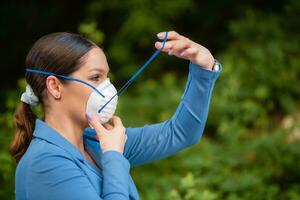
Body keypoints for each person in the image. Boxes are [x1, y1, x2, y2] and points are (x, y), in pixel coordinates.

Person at [10, 31, 221, 200]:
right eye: (95, 77)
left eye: (106, 77)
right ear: (55, 86)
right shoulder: (45, 164)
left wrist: (203, 68)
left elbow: (180, 133)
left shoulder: (95, 144)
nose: (107, 88)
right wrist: (113, 156)